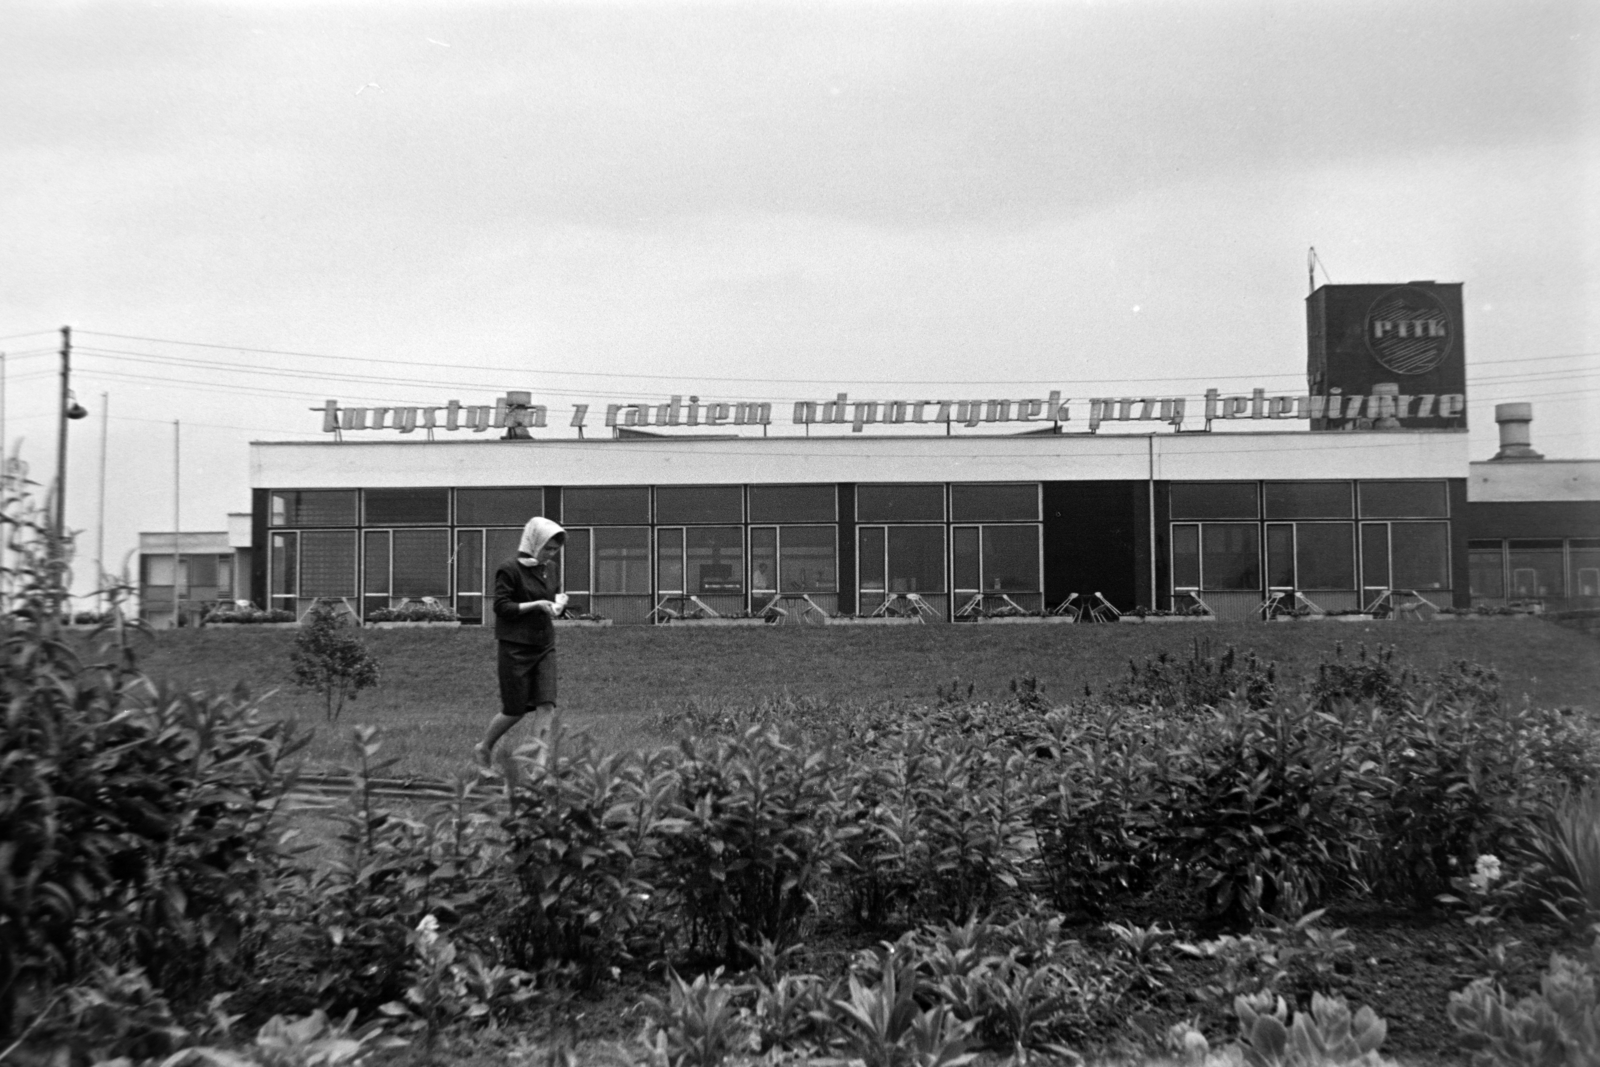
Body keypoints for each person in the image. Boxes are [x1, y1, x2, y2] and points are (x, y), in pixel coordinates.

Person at [475, 515, 569, 769]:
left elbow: (555, 592)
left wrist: (560, 603)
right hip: (515, 645)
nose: (551, 554)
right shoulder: (509, 569)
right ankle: (484, 747)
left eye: (555, 549)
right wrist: (537, 604)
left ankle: (537, 764)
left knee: (546, 704)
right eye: (547, 548)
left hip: (543, 643)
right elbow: (501, 607)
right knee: (514, 709)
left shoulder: (551, 569)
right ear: (533, 542)